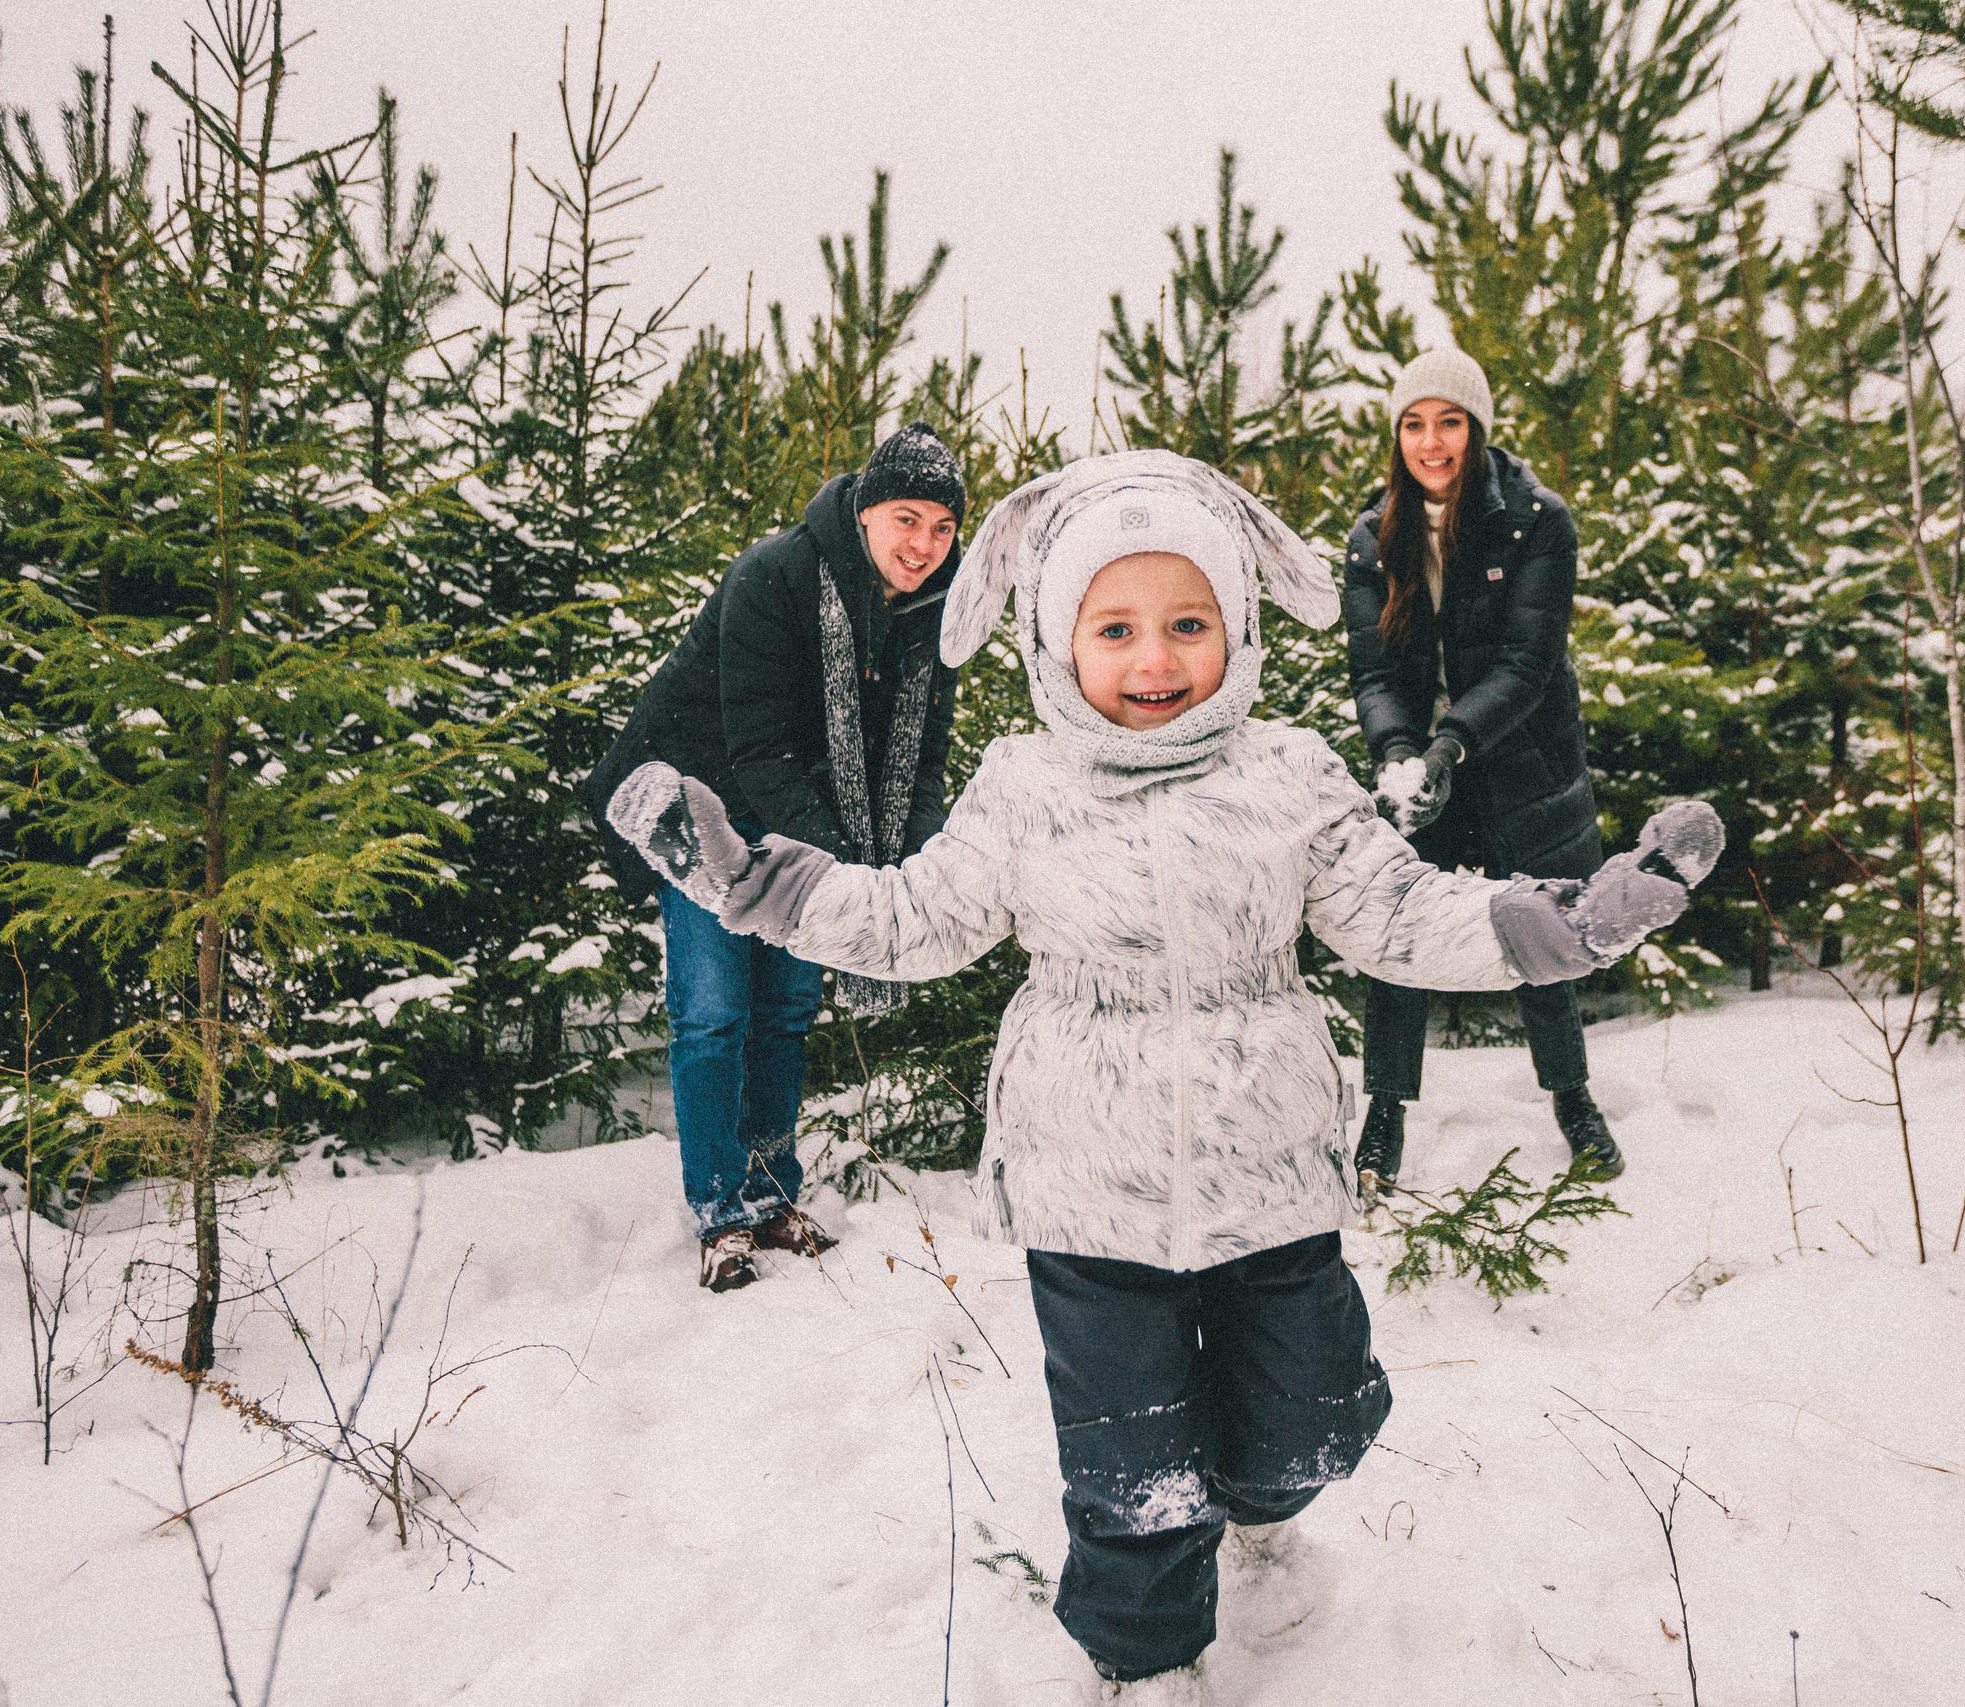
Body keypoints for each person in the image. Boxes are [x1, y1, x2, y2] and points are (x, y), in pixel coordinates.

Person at [605, 450, 1723, 1701]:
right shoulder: (1024, 789)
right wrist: (759, 886)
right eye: (1117, 628)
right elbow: (912, 918)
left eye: (1187, 625)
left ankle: (1262, 1507)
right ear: (1054, 641)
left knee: (1311, 1419)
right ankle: (1147, 1664)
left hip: (1273, 1181)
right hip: (1091, 1198)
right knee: (1132, 1466)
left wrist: (1565, 922)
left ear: (1236, 629)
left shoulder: (1287, 777)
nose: (1154, 662)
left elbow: (1401, 914)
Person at [582, 422, 967, 1292]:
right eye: (908, 519)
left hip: (805, 818)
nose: (923, 545)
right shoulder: (775, 576)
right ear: (867, 510)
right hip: (704, 808)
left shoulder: (932, 612)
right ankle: (720, 1210)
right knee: (716, 1011)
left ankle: (768, 1189)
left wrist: (919, 868)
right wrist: (846, 874)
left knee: (787, 1008)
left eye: (942, 529)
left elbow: (927, 756)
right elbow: (759, 747)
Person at [1341, 348, 1624, 1190]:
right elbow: (1377, 672)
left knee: (1536, 927)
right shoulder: (1372, 537)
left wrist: (1450, 744)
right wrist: (1399, 752)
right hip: (1425, 767)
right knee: (1401, 931)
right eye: (1416, 424)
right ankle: (1383, 1113)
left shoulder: (1536, 521)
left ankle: (1574, 1100)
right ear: (1398, 436)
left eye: (1450, 422)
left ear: (1477, 429)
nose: (1433, 442)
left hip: (1514, 757)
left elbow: (1527, 661)